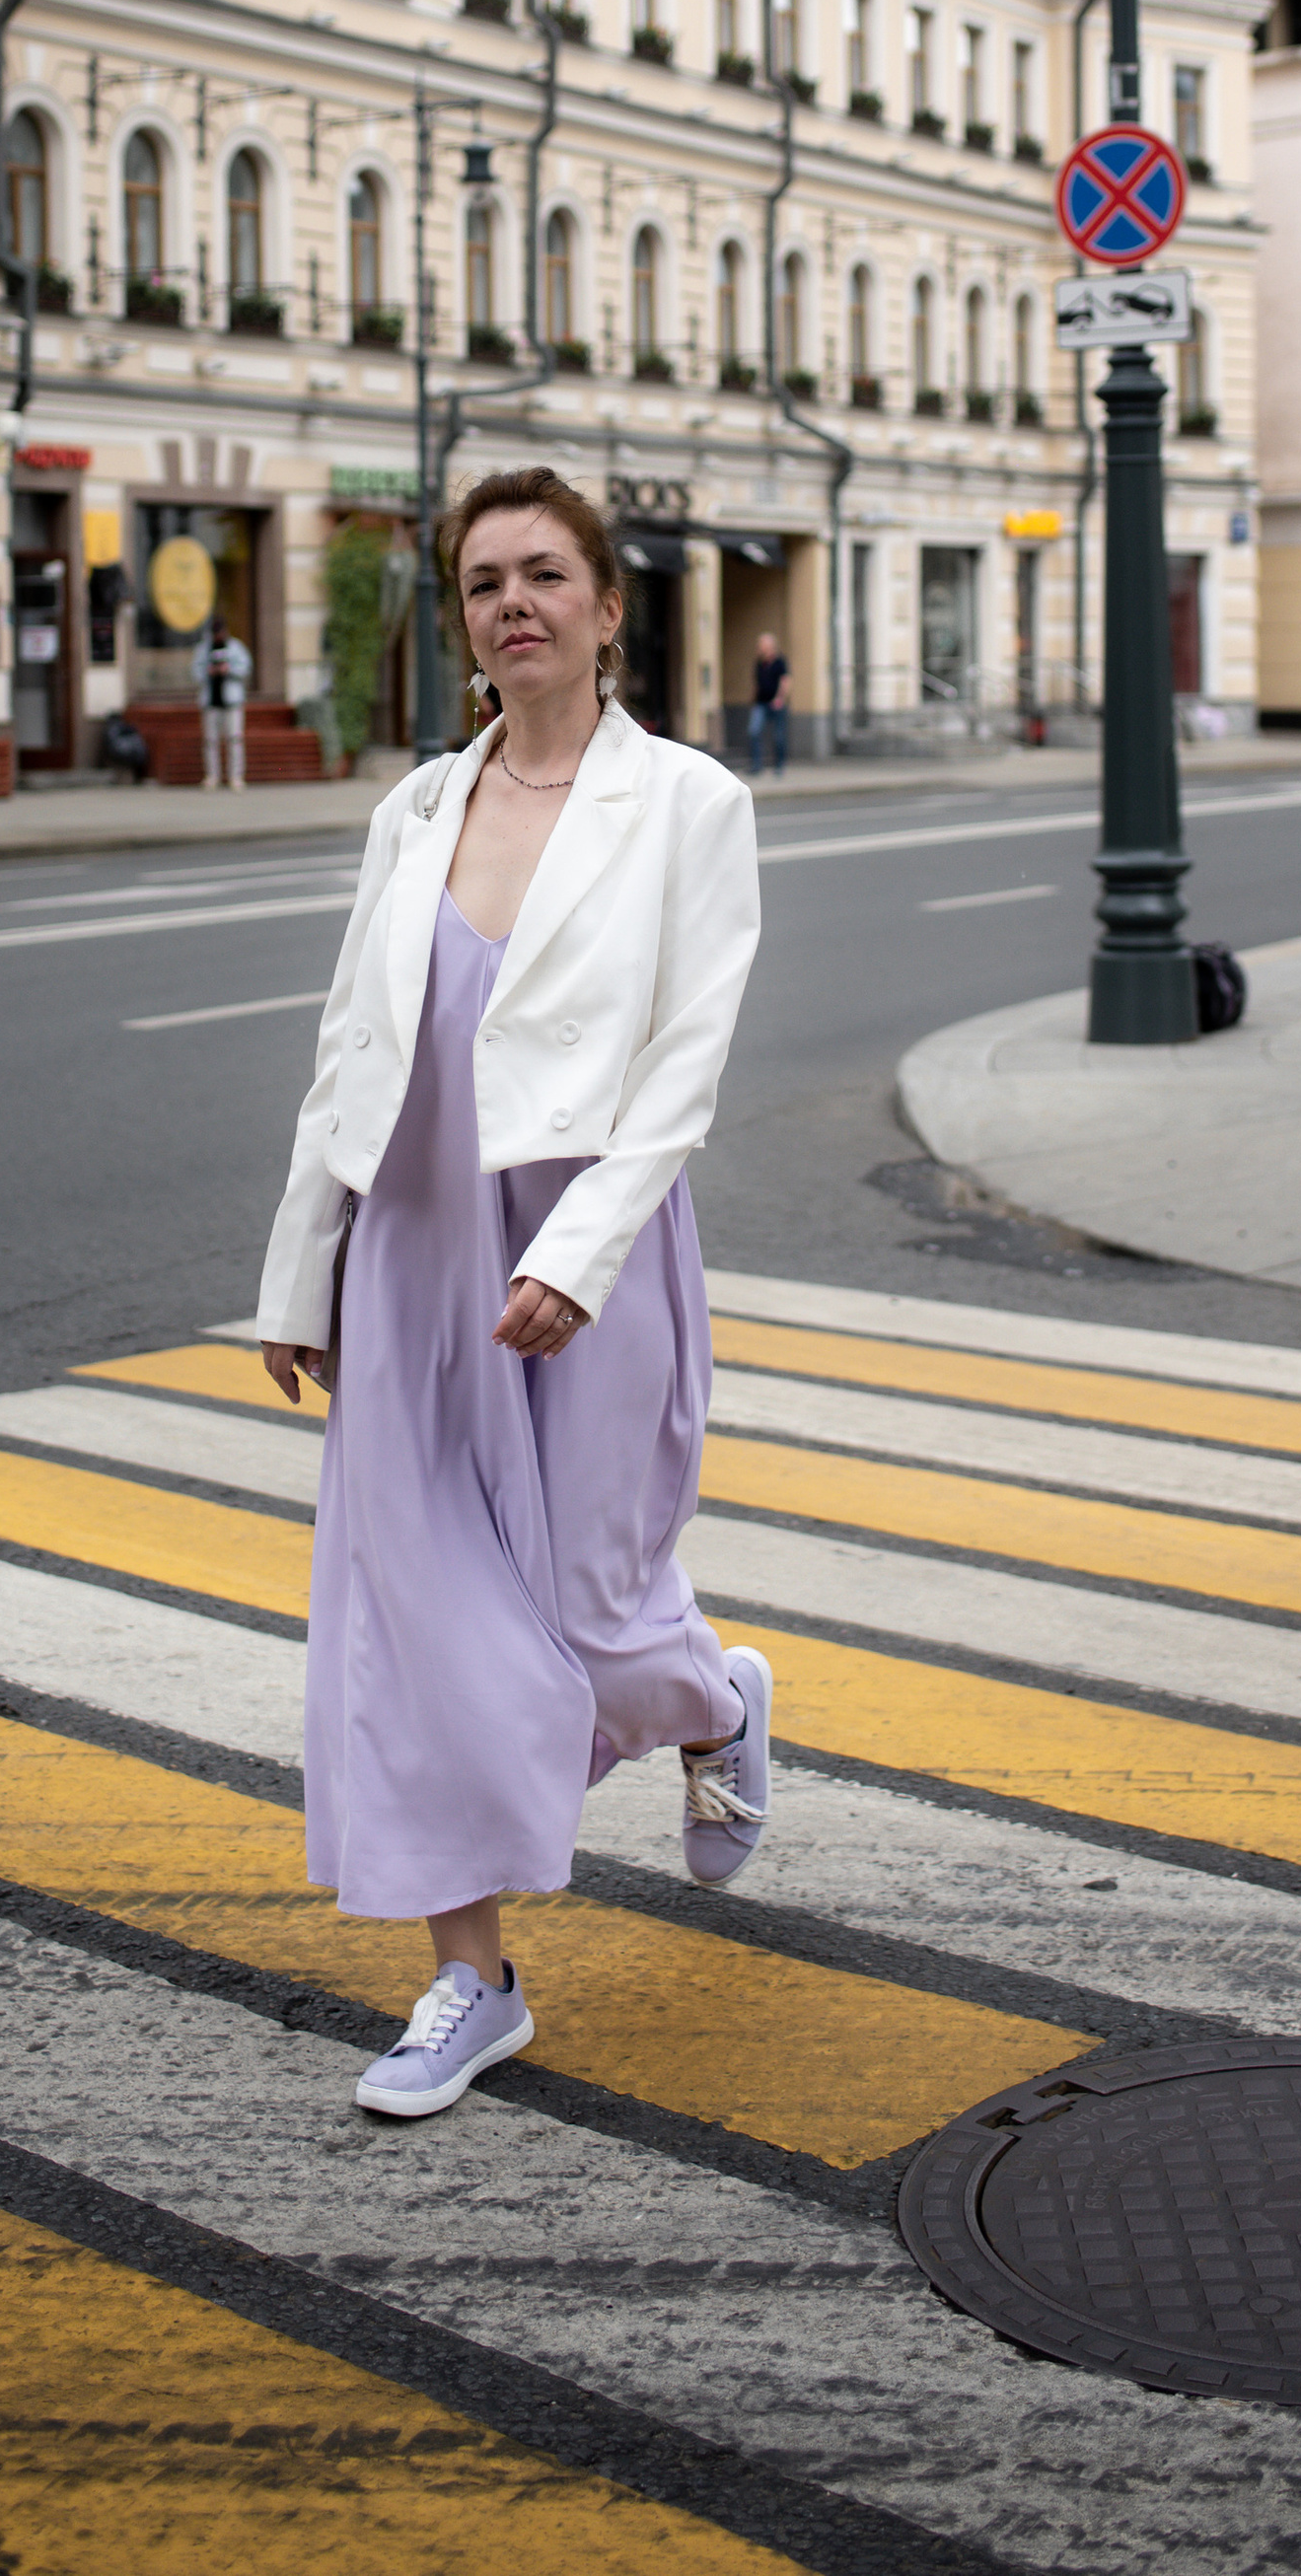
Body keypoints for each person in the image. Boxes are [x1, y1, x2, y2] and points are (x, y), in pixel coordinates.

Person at [258, 464, 765, 2122]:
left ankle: (717, 1692)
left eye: (546, 573)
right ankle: (469, 1977)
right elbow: (351, 1044)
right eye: (485, 580)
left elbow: (683, 1066)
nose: (514, 602)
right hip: (414, 1251)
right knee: (416, 1625)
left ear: (610, 606)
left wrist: (578, 1251)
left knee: (588, 1616)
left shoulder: (689, 801)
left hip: (588, 1254)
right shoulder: (417, 806)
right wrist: (300, 1264)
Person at [194, 613, 253, 789]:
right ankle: (212, 776)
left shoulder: (235, 647)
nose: (217, 636)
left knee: (234, 740)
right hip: (211, 701)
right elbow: (195, 671)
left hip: (231, 701)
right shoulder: (204, 648)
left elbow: (245, 668)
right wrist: (208, 671)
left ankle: (235, 776)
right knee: (210, 741)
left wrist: (229, 670)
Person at [747, 628, 790, 779]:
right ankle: (757, 765)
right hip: (760, 703)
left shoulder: (779, 662)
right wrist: (753, 699)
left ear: (771, 646)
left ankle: (779, 766)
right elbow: (757, 683)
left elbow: (785, 681)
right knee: (754, 731)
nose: (759, 647)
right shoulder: (759, 663)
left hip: (775, 703)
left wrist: (779, 698)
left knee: (778, 736)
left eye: (762, 644)